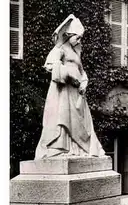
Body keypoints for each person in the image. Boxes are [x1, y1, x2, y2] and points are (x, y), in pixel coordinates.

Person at [35, 14, 105, 159]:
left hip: (77, 93)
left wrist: (84, 81)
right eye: (77, 37)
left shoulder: (75, 52)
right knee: (62, 117)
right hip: (63, 91)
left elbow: (82, 71)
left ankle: (79, 149)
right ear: (68, 35)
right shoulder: (60, 49)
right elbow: (50, 66)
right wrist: (68, 74)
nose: (79, 41)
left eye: (80, 38)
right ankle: (60, 148)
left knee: (83, 123)